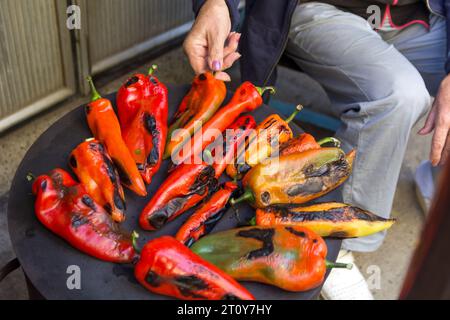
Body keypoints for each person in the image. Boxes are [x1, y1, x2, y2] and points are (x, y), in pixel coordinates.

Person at [183, 0, 450, 299]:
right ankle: (339, 236)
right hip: (324, 8)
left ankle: (439, 180)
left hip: (424, 13)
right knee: (401, 95)